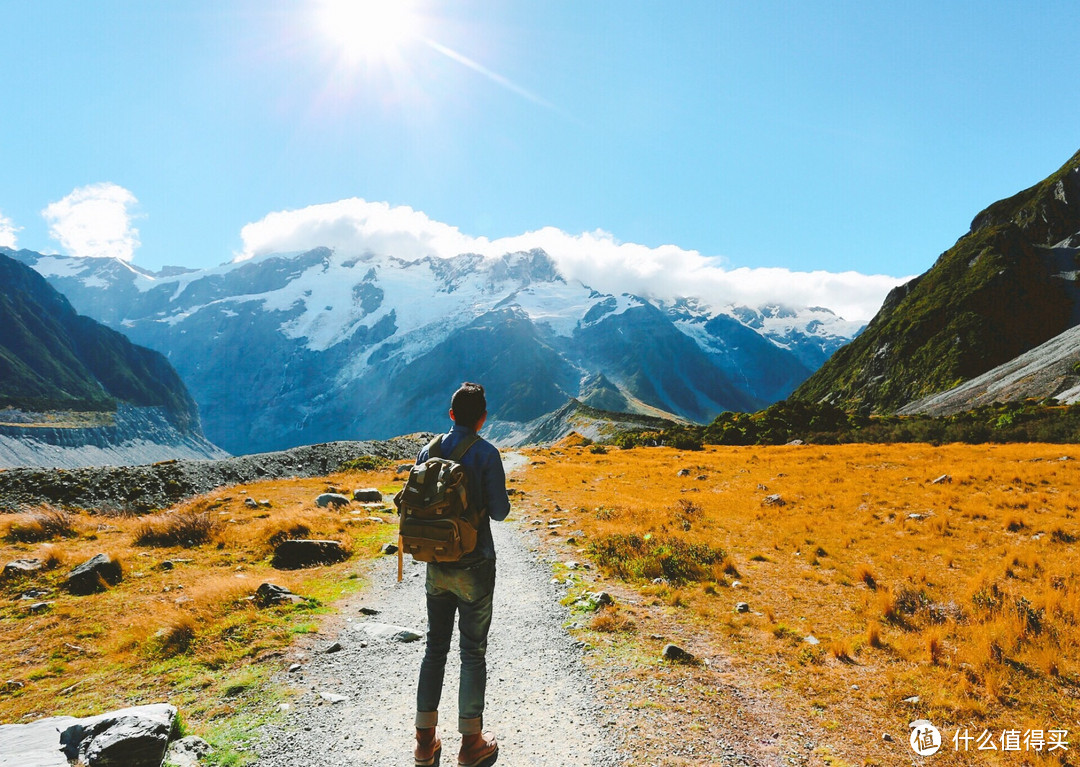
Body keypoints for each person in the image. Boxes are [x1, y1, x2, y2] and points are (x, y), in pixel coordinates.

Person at [413, 382, 510, 767]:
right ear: (483, 419)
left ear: (451, 414)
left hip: (436, 564)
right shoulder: (487, 454)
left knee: (434, 649)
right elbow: (500, 512)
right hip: (475, 565)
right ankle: (471, 745)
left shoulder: (427, 450)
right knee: (472, 653)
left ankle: (424, 743)